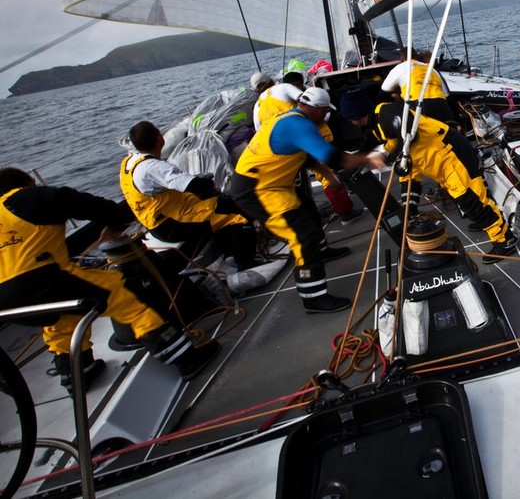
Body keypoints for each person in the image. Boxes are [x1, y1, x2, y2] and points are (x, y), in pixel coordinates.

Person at [0, 167, 220, 391]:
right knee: (128, 297)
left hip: (7, 303)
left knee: (61, 321)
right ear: (27, 183)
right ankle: (185, 359)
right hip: (43, 278)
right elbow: (88, 204)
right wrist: (115, 220)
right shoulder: (28, 198)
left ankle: (77, 375)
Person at [228, 87, 385, 313]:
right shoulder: (297, 125)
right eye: (325, 112)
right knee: (302, 238)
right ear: (319, 110)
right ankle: (314, 297)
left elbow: (307, 157)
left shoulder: (292, 118)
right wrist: (369, 159)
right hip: (256, 189)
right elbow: (334, 157)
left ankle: (321, 252)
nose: (325, 117)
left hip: (277, 183)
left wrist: (329, 177)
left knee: (308, 212)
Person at [346, 97, 517, 265]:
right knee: (469, 202)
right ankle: (487, 223)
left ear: (354, 116)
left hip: (451, 154)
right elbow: (408, 172)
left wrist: (386, 156)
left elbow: (408, 135)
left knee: (472, 201)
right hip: (437, 161)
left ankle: (504, 240)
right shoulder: (376, 127)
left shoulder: (387, 113)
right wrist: (409, 208)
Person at [121, 121, 259, 276]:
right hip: (173, 223)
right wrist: (208, 182)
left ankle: (230, 251)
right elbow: (193, 185)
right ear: (159, 138)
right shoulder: (153, 168)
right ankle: (245, 265)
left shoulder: (129, 163)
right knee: (237, 213)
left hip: (156, 222)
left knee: (219, 206)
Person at [254, 71, 363, 221]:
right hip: (306, 135)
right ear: (272, 80)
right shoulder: (282, 88)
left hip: (286, 148)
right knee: (327, 174)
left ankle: (310, 217)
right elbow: (307, 102)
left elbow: (260, 131)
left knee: (297, 185)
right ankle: (346, 212)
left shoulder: (257, 106)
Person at [380, 48, 454, 123]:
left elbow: (384, 90)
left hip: (418, 104)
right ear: (417, 58)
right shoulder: (432, 69)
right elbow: (448, 96)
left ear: (402, 60)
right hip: (441, 103)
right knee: (448, 131)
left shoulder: (399, 68)